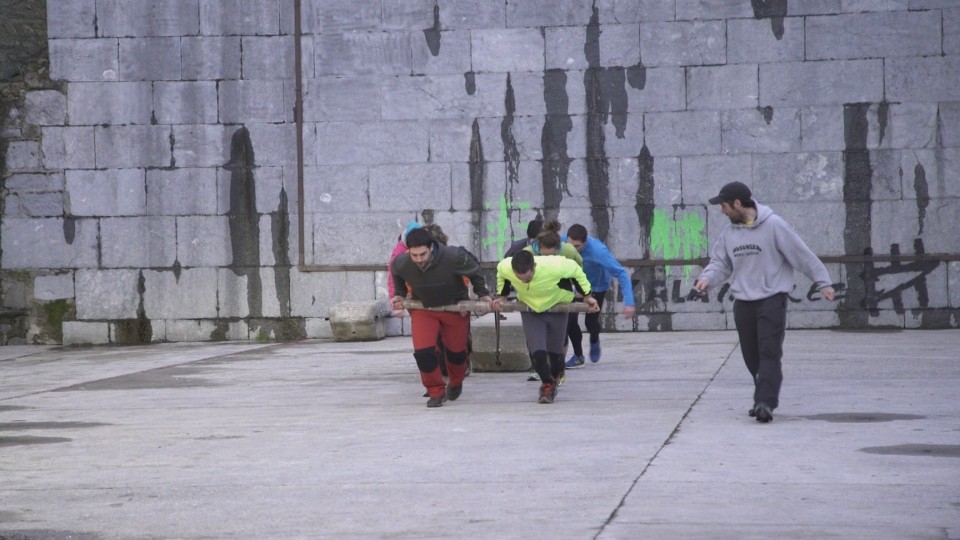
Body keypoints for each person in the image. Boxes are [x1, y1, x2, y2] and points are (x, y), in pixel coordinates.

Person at [694, 181, 835, 424]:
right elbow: (720, 263)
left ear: (738, 204)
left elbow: (802, 255)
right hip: (743, 302)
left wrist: (823, 282)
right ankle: (762, 395)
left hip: (771, 299)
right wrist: (707, 279)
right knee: (752, 356)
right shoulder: (729, 233)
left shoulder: (774, 226)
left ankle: (765, 402)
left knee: (769, 352)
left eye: (724, 206)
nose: (722, 211)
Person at [391, 228, 491, 408]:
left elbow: (475, 271)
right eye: (414, 255)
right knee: (423, 353)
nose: (419, 259)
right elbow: (396, 274)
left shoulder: (453, 256)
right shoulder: (401, 262)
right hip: (423, 309)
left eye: (422, 254)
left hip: (454, 308)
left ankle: (456, 381)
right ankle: (436, 390)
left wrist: (483, 294)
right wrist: (400, 294)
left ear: (431, 247)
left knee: (456, 353)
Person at [493, 250, 598, 404]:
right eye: (519, 278)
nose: (523, 281)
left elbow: (576, 270)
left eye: (527, 278)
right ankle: (547, 385)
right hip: (530, 309)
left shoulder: (556, 266)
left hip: (557, 307)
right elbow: (501, 275)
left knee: (556, 356)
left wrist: (587, 295)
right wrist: (502, 297)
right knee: (538, 354)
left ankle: (555, 377)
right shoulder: (505, 266)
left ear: (534, 266)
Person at [564, 224, 636, 368]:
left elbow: (621, 273)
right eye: (570, 245)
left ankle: (594, 338)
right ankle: (578, 356)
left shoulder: (598, 251)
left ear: (585, 242)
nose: (572, 250)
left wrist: (629, 302)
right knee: (569, 322)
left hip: (596, 287)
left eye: (577, 246)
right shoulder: (563, 242)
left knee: (590, 323)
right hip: (575, 286)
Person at [524, 220, 582, 383]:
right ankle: (541, 368)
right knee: (537, 337)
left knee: (560, 337)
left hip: (561, 294)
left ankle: (558, 368)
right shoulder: (528, 252)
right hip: (537, 295)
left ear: (558, 249)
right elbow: (513, 268)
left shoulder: (568, 251)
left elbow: (578, 269)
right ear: (538, 247)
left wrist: (581, 290)